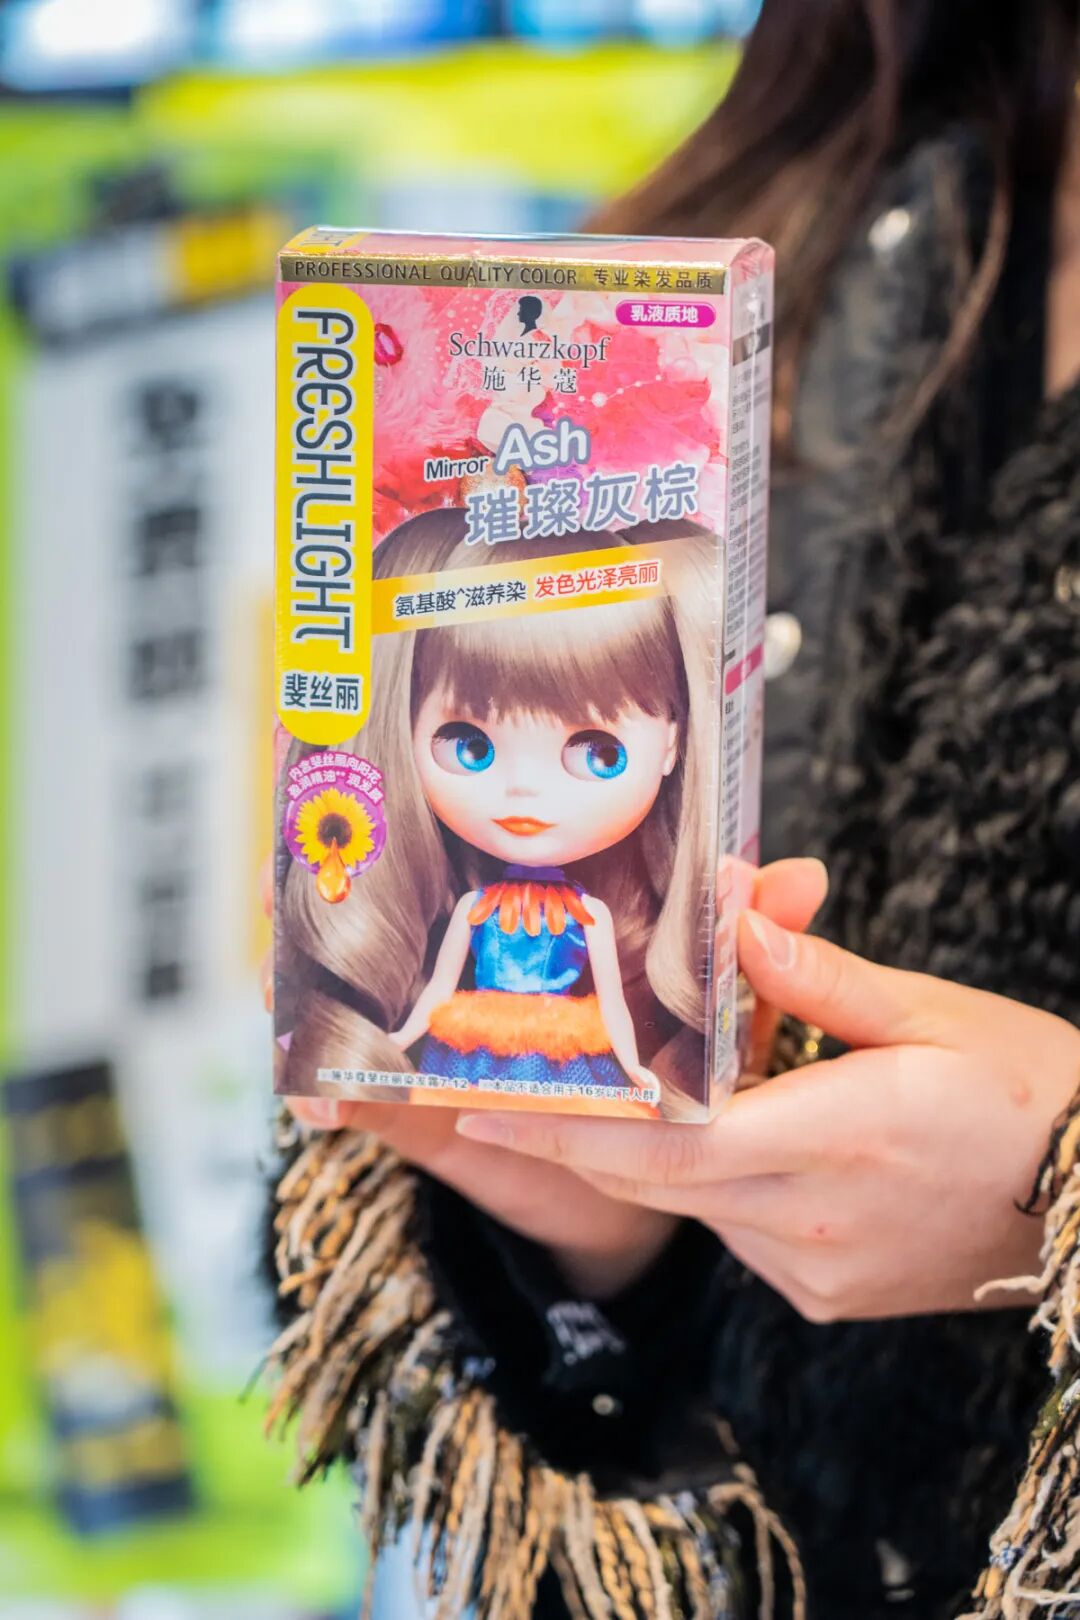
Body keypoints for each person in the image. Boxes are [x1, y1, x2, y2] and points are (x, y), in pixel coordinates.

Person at [265, 2, 1080, 1615]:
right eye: (469, 744)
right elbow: (402, 1305)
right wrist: (586, 1227)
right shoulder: (745, 249)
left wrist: (1061, 1193)